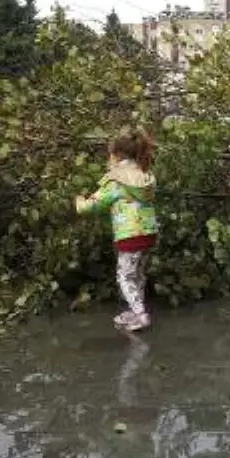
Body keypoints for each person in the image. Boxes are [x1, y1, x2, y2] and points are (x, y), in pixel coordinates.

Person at [75, 128, 159, 332]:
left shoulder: (116, 179)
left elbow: (92, 205)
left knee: (124, 275)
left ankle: (140, 315)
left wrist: (79, 201)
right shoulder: (144, 175)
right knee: (137, 273)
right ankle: (134, 309)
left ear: (115, 155)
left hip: (129, 235)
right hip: (149, 233)